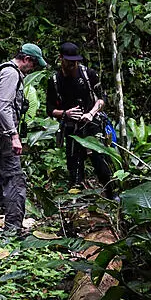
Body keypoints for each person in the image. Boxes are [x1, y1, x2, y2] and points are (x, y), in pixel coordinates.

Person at [0, 42, 44, 230]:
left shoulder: (6, 71)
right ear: (27, 59)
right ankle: (13, 229)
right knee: (14, 178)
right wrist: (14, 136)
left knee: (3, 176)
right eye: (34, 64)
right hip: (2, 132)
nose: (33, 68)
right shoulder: (11, 73)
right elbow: (4, 107)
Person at [49, 41, 114, 190]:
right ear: (61, 58)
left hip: (92, 123)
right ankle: (77, 195)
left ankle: (111, 192)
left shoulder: (89, 74)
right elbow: (50, 109)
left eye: (76, 61)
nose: (73, 64)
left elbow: (102, 99)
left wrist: (91, 113)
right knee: (74, 164)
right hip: (71, 127)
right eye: (69, 61)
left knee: (100, 160)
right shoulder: (55, 81)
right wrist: (66, 113)